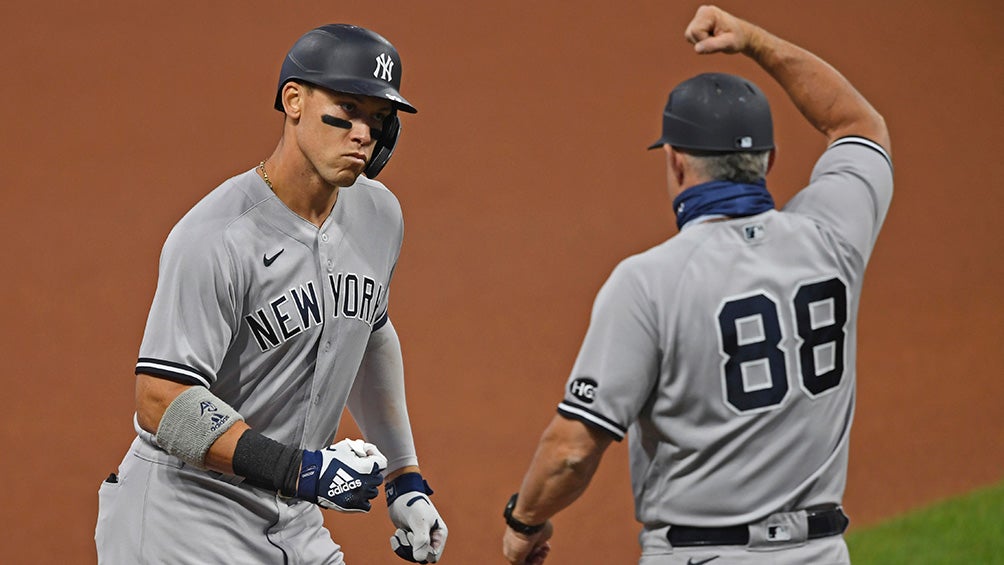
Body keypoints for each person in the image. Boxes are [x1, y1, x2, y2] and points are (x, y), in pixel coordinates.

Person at [502, 5, 892, 565]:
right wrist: (754, 40)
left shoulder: (649, 281)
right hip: (821, 553)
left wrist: (524, 522)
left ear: (677, 162)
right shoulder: (832, 238)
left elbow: (571, 451)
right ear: (769, 161)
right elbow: (856, 124)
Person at [95, 24, 447, 564]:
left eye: (378, 118)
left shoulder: (379, 215)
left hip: (293, 518)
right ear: (294, 101)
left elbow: (367, 334)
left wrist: (405, 477)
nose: (363, 134)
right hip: (183, 521)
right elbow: (161, 400)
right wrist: (303, 471)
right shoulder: (217, 236)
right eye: (347, 109)